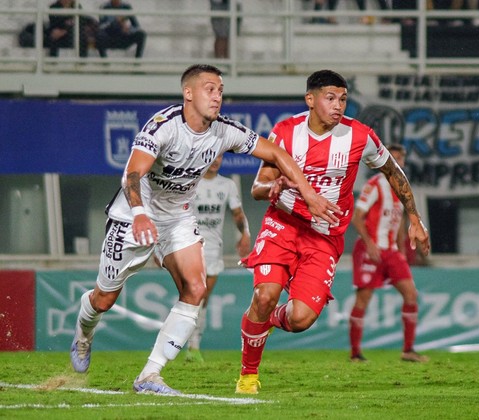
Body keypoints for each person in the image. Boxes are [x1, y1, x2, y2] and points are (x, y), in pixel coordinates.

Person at [69, 64, 339, 395]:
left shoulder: (225, 130)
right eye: (210, 89)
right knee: (104, 298)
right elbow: (133, 174)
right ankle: (84, 333)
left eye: (221, 90)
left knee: (196, 289)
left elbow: (276, 153)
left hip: (177, 217)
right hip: (134, 214)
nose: (217, 97)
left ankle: (150, 375)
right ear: (188, 93)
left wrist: (308, 193)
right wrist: (139, 213)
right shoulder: (163, 126)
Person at [235, 69, 431, 394]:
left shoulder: (359, 136)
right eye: (330, 98)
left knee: (301, 319)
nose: (338, 105)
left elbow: (392, 170)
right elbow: (258, 187)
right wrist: (275, 186)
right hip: (283, 225)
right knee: (265, 295)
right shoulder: (286, 132)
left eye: (343, 99)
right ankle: (248, 377)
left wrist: (414, 217)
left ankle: (263, 319)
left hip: (324, 236)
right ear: (310, 100)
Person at [348, 144, 429, 363]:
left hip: (391, 251)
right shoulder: (374, 185)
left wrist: (402, 249)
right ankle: (355, 353)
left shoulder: (401, 187)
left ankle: (408, 350)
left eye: (401, 158)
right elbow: (357, 217)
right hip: (371, 249)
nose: (398, 161)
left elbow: (400, 220)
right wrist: (369, 244)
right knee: (363, 299)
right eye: (394, 158)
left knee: (411, 295)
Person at [185, 153, 251, 363]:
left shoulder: (227, 185)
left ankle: (193, 344)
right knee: (194, 294)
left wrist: (244, 234)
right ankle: (184, 342)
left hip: (214, 248)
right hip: (191, 245)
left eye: (220, 157)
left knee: (203, 297)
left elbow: (238, 213)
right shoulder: (191, 183)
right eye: (212, 156)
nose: (216, 161)